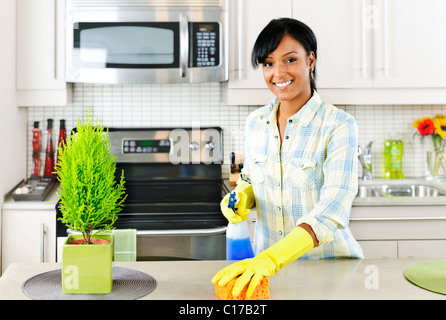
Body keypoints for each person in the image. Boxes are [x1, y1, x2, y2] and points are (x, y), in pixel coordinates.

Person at [212, 18, 363, 298]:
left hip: (328, 271)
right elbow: (249, 179)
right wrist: (243, 198)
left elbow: (332, 209)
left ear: (311, 61)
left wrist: (272, 258)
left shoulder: (338, 125)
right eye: (268, 63)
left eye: (290, 59)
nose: (278, 72)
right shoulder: (255, 122)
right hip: (266, 275)